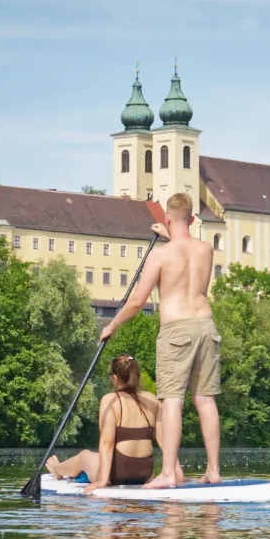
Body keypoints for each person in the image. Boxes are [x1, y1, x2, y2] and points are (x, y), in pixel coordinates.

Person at [100, 192, 221, 488]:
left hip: (176, 329)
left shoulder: (160, 255)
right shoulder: (206, 249)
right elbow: (184, 248)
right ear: (192, 219)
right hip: (206, 325)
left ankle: (168, 474)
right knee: (205, 399)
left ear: (167, 217)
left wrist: (113, 325)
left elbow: (138, 300)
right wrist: (170, 233)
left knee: (172, 402)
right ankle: (214, 470)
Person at [45, 354, 159, 493]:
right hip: (145, 473)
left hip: (117, 474)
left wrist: (102, 481)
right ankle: (59, 468)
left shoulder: (110, 400)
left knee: (84, 456)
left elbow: (107, 442)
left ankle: (57, 469)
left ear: (115, 378)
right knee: (92, 457)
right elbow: (165, 439)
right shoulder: (152, 399)